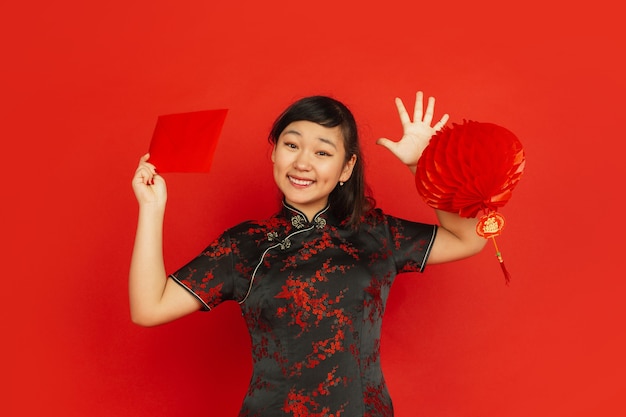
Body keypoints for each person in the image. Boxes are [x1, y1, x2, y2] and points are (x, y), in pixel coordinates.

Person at [130, 91, 486, 417]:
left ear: (347, 168)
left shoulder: (376, 233)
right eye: (291, 145)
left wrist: (421, 168)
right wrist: (151, 208)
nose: (302, 162)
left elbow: (469, 238)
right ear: (274, 152)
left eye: (322, 152)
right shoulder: (245, 244)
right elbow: (149, 308)